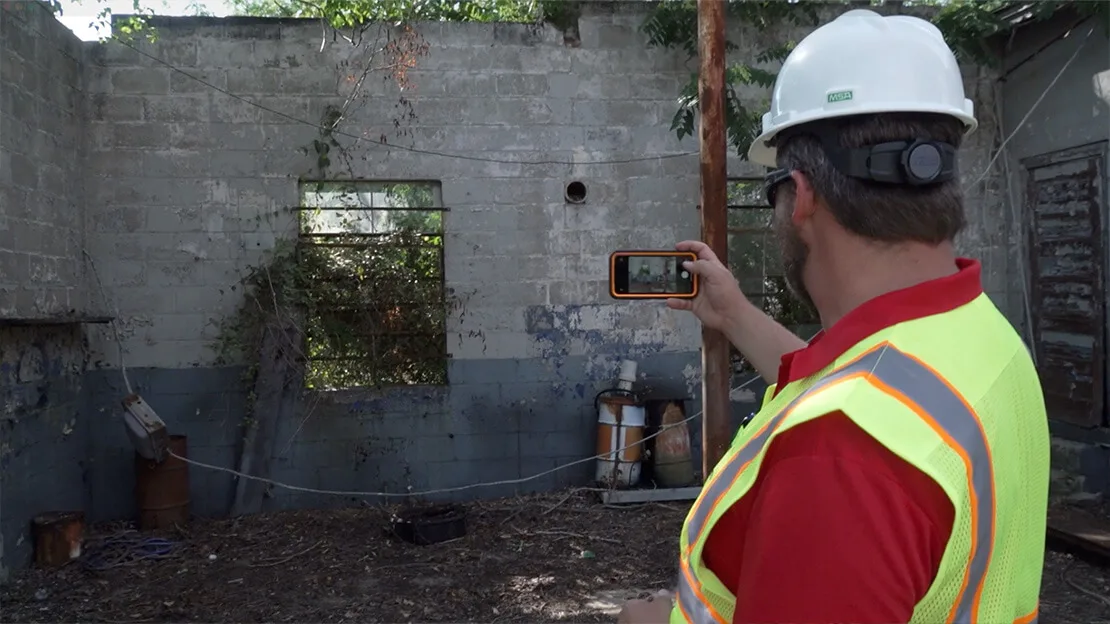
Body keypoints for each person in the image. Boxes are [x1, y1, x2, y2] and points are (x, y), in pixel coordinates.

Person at [618, 8, 1049, 624]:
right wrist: (733, 314)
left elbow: (852, 419)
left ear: (804, 194)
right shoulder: (980, 335)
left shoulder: (835, 460)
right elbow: (859, 385)